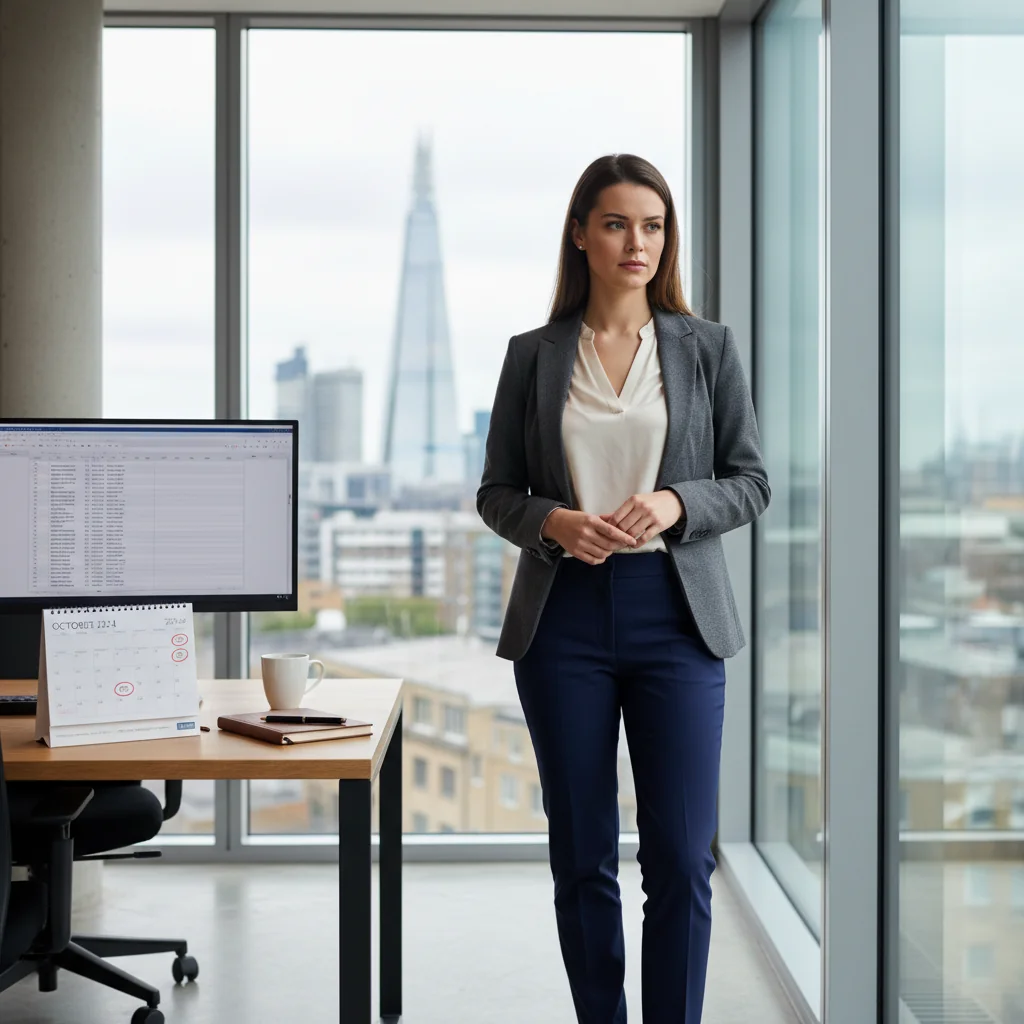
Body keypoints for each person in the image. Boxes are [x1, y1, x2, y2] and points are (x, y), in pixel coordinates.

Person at [476, 153, 770, 1023]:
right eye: (616, 223)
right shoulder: (532, 356)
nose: (637, 242)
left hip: (678, 622)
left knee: (681, 856)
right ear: (580, 235)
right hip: (562, 621)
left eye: (653, 225)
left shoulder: (705, 348)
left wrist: (679, 499)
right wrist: (554, 523)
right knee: (583, 855)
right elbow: (496, 492)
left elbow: (750, 481)